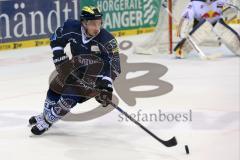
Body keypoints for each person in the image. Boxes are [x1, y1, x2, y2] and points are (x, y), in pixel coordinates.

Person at [28, 6, 121, 135]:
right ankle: (45, 115)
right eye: (93, 24)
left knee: (69, 97)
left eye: (99, 23)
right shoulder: (71, 27)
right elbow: (56, 38)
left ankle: (47, 120)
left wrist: (106, 86)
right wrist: (59, 55)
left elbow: (114, 65)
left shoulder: (107, 40)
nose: (97, 27)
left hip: (95, 77)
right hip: (74, 68)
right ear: (84, 23)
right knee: (55, 87)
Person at [175, 0, 240, 58]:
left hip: (218, 24)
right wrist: (183, 30)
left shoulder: (221, 1)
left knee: (223, 30)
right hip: (201, 25)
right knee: (202, 29)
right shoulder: (194, 4)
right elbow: (186, 18)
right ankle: (181, 50)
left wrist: (229, 10)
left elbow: (232, 12)